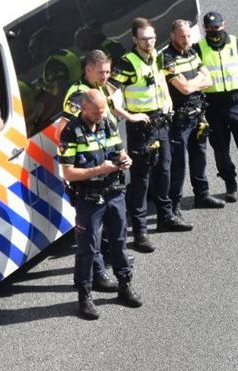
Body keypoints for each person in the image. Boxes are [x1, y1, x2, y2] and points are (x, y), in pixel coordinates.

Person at [58, 90, 143, 319]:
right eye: (96, 112)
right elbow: (68, 172)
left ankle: (125, 286)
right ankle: (84, 296)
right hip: (89, 198)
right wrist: (99, 170)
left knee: (119, 241)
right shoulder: (71, 132)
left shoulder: (107, 122)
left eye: (103, 110)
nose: (101, 115)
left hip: (115, 192)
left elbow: (120, 150)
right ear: (83, 109)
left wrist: (126, 160)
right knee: (87, 248)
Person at [112, 17, 187, 253]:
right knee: (141, 179)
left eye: (152, 38)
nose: (149, 42)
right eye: (144, 39)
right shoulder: (127, 63)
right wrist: (128, 115)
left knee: (164, 169)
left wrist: (167, 104)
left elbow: (162, 83)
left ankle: (166, 217)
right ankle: (140, 232)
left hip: (160, 121)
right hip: (141, 127)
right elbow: (110, 94)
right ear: (135, 39)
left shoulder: (158, 55)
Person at [198, 11, 238, 202]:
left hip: (237, 105)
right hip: (213, 107)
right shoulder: (199, 48)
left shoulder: (237, 43)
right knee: (221, 150)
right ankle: (230, 185)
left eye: (216, 27)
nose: (213, 31)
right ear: (204, 28)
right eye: (209, 28)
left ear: (224, 25)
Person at [163, 19, 226, 210]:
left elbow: (209, 80)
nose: (187, 39)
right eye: (182, 36)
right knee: (178, 164)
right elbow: (183, 88)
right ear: (172, 36)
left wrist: (193, 84)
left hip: (198, 114)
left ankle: (202, 195)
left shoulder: (191, 52)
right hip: (179, 119)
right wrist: (196, 82)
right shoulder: (166, 59)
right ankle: (174, 205)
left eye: (189, 35)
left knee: (200, 156)